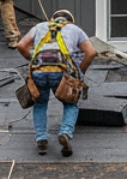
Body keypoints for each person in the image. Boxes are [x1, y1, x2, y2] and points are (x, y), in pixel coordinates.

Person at [16, 9, 98, 157]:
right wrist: (80, 72)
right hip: (62, 72)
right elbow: (91, 52)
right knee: (70, 104)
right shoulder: (75, 29)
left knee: (40, 103)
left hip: (38, 71)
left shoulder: (39, 27)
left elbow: (21, 45)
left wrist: (34, 59)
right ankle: (65, 133)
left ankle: (41, 140)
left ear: (53, 18)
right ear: (70, 21)